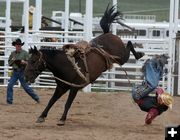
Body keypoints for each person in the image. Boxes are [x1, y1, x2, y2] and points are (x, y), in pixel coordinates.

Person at [132, 54, 173, 125]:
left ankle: (150, 64)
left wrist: (149, 119)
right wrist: (160, 95)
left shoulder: (156, 109)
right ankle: (155, 66)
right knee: (154, 84)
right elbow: (159, 90)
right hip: (140, 94)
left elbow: (150, 116)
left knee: (153, 85)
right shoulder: (159, 104)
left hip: (138, 96)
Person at [7, 38, 40, 104]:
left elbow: (30, 63)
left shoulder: (25, 53)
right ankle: (9, 101)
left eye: (19, 45)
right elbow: (9, 63)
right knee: (10, 85)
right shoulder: (12, 53)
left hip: (22, 72)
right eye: (17, 45)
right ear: (15, 46)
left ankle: (36, 98)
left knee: (26, 87)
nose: (18, 46)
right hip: (15, 72)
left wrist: (24, 62)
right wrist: (13, 60)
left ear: (21, 46)